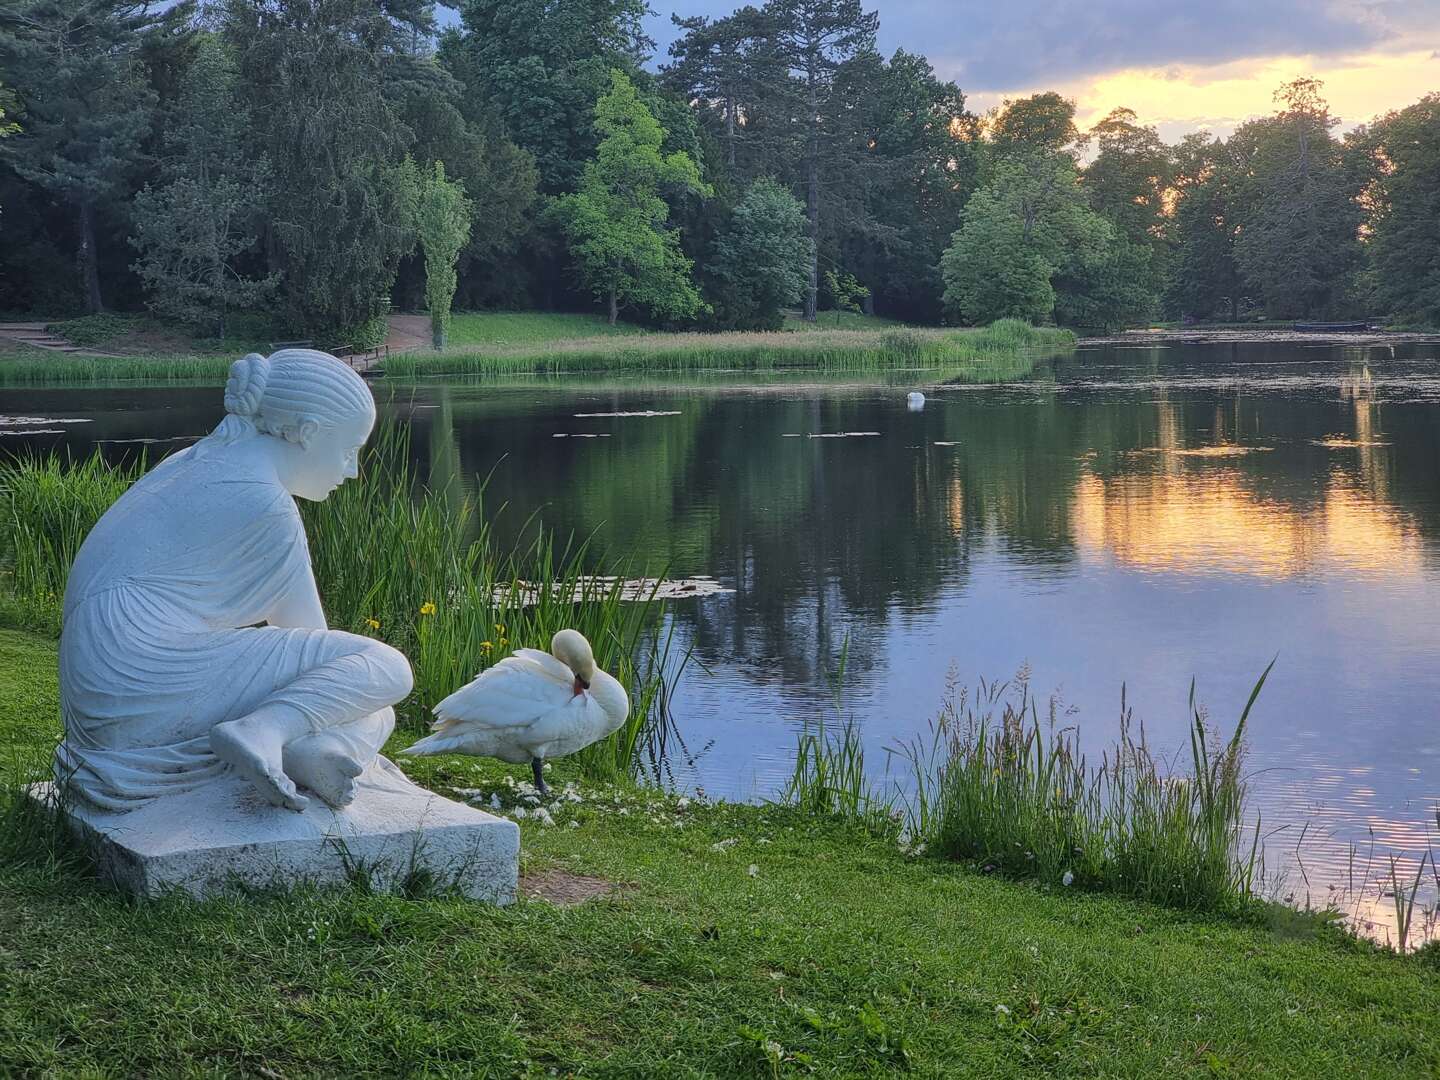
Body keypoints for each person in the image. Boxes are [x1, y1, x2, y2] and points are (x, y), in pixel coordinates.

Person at [55, 349, 413, 813]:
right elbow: (312, 632)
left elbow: (314, 655)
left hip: (98, 685)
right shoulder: (266, 505)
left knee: (359, 699)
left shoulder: (194, 461)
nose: (351, 471)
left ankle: (309, 750)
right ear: (307, 433)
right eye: (348, 451)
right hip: (143, 679)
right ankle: (264, 731)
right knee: (385, 669)